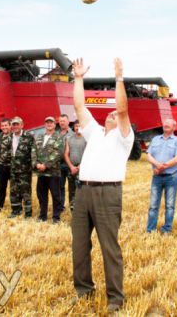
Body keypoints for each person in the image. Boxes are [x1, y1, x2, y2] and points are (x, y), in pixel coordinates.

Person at [71, 57, 134, 313]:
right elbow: (78, 107)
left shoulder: (124, 138)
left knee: (109, 247)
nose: (112, 114)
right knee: (79, 246)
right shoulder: (95, 132)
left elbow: (122, 109)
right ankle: (84, 290)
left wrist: (119, 78)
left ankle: (115, 299)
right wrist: (78, 78)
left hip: (108, 193)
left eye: (115, 114)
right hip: (83, 191)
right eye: (108, 114)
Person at [146, 118, 177, 234]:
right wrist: (157, 165)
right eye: (165, 124)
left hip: (171, 177)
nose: (165, 125)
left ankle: (167, 229)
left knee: (170, 205)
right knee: (153, 205)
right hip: (156, 177)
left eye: (168, 124)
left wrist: (163, 167)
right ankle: (150, 230)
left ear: (174, 127)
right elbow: (149, 155)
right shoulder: (155, 139)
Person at [34, 116, 64, 223]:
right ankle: (42, 216)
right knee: (42, 196)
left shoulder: (58, 137)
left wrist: (45, 165)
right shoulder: (39, 137)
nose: (49, 124)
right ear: (44, 124)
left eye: (51, 123)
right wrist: (36, 164)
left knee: (56, 196)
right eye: (47, 122)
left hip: (53, 172)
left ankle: (56, 218)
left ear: (54, 125)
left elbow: (58, 153)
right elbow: (34, 151)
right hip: (41, 173)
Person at [6, 116, 36, 218]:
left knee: (26, 191)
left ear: (22, 125)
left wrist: (33, 166)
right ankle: (16, 211)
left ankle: (28, 213)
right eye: (13, 124)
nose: (15, 126)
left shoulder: (29, 136)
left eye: (17, 124)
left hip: (25, 170)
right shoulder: (9, 137)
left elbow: (33, 153)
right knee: (14, 190)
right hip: (13, 169)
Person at [64, 121, 87, 212]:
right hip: (71, 168)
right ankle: (73, 210)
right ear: (74, 127)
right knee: (72, 190)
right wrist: (71, 167)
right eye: (76, 126)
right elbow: (66, 154)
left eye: (80, 126)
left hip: (83, 168)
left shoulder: (86, 139)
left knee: (82, 190)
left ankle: (83, 210)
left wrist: (79, 167)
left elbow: (88, 154)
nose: (78, 128)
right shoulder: (69, 138)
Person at [0, 118, 12, 211]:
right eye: (2, 126)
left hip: (12, 166)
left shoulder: (14, 136)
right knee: (1, 187)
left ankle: (16, 206)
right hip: (1, 166)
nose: (4, 127)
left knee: (14, 188)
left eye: (6, 125)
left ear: (10, 126)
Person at [57, 114, 72, 212]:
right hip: (59, 164)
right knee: (60, 186)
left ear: (68, 121)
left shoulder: (73, 133)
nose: (62, 123)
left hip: (70, 164)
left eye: (64, 121)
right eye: (60, 121)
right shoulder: (56, 134)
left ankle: (72, 206)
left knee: (72, 186)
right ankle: (60, 206)